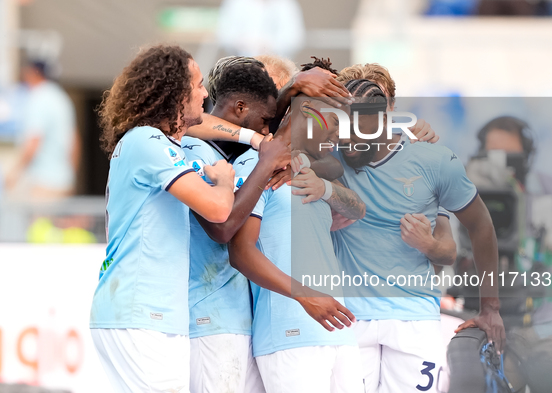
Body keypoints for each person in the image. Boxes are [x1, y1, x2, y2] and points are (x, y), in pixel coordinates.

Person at [329, 79, 503, 393]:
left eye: (360, 131)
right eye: (343, 130)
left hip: (413, 319)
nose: (349, 142)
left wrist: (489, 308)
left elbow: (481, 226)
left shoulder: (434, 160)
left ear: (385, 121)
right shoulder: (330, 156)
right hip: (348, 318)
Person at [89, 45, 236, 393]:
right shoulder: (148, 141)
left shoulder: (155, 142)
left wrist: (254, 139)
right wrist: (226, 181)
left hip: (148, 312)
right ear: (174, 93)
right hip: (141, 311)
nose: (205, 93)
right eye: (198, 85)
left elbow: (204, 127)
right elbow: (217, 210)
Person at [228, 92, 367, 393]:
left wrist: (326, 188)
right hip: (289, 332)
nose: (339, 133)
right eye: (332, 122)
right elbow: (240, 252)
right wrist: (306, 297)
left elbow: (356, 209)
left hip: (338, 332)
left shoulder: (313, 169)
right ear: (303, 116)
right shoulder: (256, 165)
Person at [182, 63, 291, 393]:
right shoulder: (193, 149)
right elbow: (222, 227)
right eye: (264, 121)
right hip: (208, 318)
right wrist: (267, 160)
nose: (268, 131)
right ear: (240, 108)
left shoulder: (236, 150)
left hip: (240, 319)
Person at [474, 116, 552, 393]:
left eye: (512, 155)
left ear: (527, 154)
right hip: (500, 329)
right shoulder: (472, 196)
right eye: (493, 154)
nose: (502, 162)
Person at [5, 61, 79, 198]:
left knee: (36, 219)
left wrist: (14, 172)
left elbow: (34, 141)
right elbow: (74, 141)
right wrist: (71, 176)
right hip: (63, 182)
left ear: (32, 73)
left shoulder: (39, 98)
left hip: (43, 182)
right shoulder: (62, 98)